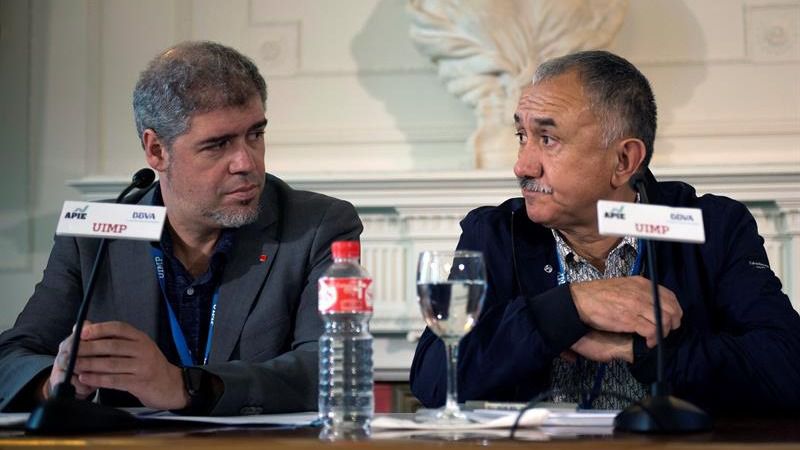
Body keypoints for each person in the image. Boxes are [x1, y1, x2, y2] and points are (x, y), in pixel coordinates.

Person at [410, 50, 800, 415]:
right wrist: (567, 309)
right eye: (522, 136)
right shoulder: (495, 233)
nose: (522, 166)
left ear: (624, 160)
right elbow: (433, 378)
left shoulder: (711, 227)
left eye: (548, 139)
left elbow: (788, 369)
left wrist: (641, 349)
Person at [0, 41, 362, 415]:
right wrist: (56, 381)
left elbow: (334, 366)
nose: (246, 163)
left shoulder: (317, 226)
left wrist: (185, 386)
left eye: (255, 135)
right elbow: (11, 357)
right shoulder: (96, 235)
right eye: (217, 145)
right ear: (156, 150)